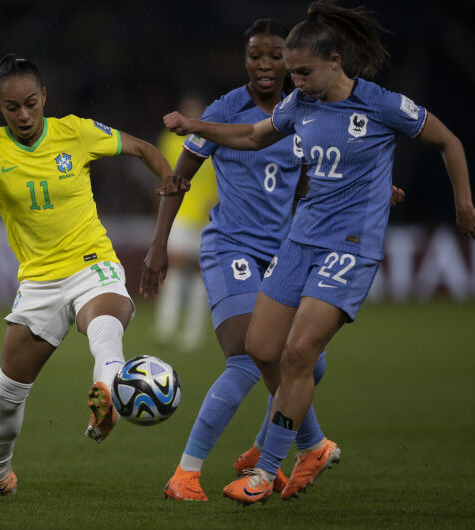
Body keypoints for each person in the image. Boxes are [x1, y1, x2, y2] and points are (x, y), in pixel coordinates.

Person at [163, 1, 475, 505]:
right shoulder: (299, 106)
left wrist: (463, 203)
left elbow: (450, 142)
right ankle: (310, 444)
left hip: (349, 248)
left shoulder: (382, 105)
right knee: (260, 349)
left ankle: (266, 471)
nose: (296, 83)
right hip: (299, 240)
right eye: (293, 74)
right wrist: (198, 127)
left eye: (304, 72)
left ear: (335, 60)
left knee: (299, 353)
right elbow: (248, 135)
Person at [0, 54, 188, 504]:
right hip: (39, 284)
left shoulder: (75, 131)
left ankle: (109, 396)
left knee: (104, 330)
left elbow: (142, 147)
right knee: (5, 397)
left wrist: (168, 179)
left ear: (45, 99)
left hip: (92, 263)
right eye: (11, 107)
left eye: (31, 103)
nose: (23, 115)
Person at [143, 19, 335, 502]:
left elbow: (312, 182)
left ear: (290, 62)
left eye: (275, 57)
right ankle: (187, 473)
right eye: (256, 56)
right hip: (230, 248)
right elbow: (180, 176)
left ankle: (272, 446)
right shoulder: (225, 109)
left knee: (310, 364)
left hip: (282, 254)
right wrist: (159, 244)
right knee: (250, 358)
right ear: (245, 60)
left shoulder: (304, 112)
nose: (265, 66)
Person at [153, 95, 219, 352]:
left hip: (207, 220)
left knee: (199, 275)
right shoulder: (169, 141)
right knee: (174, 268)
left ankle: (192, 333)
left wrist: (217, 198)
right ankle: (166, 327)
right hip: (179, 216)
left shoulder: (215, 142)